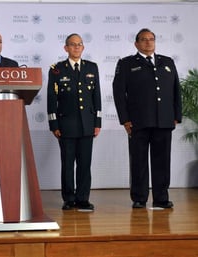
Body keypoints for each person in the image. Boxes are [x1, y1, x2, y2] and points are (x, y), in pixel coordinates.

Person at [113, 28, 182, 209]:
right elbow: (119, 94)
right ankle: (139, 197)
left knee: (162, 161)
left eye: (151, 39)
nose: (148, 42)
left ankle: (161, 197)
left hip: (164, 121)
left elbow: (176, 91)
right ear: (136, 43)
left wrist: (176, 116)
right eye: (144, 40)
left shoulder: (167, 62)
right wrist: (125, 120)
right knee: (139, 162)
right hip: (138, 122)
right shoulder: (126, 64)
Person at [47, 33, 101, 211]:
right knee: (68, 164)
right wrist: (54, 124)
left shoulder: (92, 68)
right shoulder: (57, 69)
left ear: (83, 48)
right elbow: (51, 98)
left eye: (79, 44)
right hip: (66, 125)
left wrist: (97, 122)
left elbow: (96, 97)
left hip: (87, 125)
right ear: (66, 48)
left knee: (85, 165)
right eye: (73, 44)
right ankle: (69, 198)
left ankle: (83, 198)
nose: (77, 47)